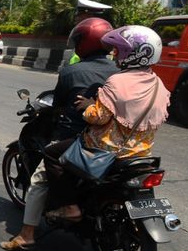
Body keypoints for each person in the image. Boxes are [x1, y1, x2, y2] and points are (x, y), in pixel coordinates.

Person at [0, 18, 118, 251]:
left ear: (85, 42)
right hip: (114, 140)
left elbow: (59, 104)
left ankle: (26, 236)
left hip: (77, 138)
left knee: (39, 181)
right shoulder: (120, 72)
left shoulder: (71, 71)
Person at [45, 26, 170, 221]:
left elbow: (97, 117)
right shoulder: (159, 85)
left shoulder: (118, 81)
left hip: (106, 149)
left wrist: (88, 106)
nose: (115, 54)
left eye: (119, 50)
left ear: (132, 53)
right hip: (141, 153)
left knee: (52, 154)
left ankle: (70, 207)